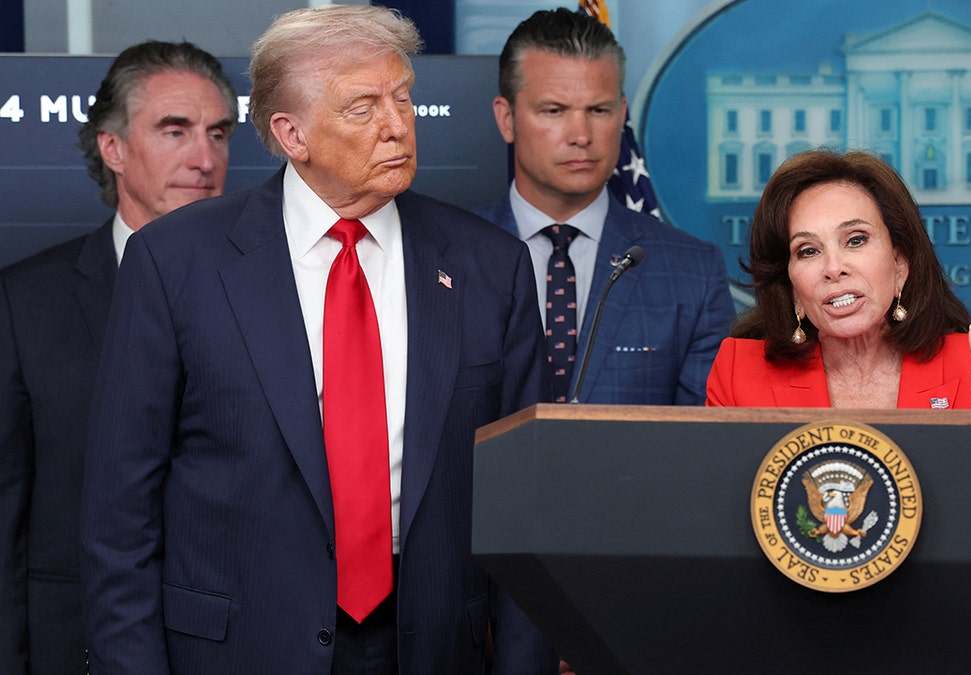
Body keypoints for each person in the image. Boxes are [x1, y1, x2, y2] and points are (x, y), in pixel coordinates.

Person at [78, 5, 554, 674]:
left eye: (403, 97)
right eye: (363, 108)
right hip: (238, 648)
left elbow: (524, 504)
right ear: (290, 132)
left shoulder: (489, 265)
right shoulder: (177, 262)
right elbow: (120, 512)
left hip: (432, 645)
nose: (397, 124)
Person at [0, 40, 236, 675]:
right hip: (73, 646)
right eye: (175, 130)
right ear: (112, 148)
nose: (205, 158)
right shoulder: (25, 301)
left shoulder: (283, 290)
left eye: (218, 132)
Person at [478, 7, 735, 405]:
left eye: (599, 111)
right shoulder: (449, 261)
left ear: (622, 115)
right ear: (507, 118)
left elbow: (702, 446)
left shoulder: (693, 272)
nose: (580, 135)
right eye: (554, 111)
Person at [706, 149, 971, 410]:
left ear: (900, 263)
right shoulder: (739, 372)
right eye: (808, 250)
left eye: (855, 240)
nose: (834, 267)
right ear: (791, 286)